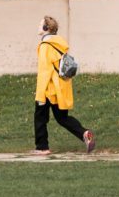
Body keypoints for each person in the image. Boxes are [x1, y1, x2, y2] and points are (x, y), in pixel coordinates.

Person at [34, 14, 96, 155]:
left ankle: (42, 148)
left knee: (40, 117)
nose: (38, 27)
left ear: (45, 28)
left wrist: (40, 95)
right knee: (63, 118)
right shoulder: (60, 43)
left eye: (40, 25)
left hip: (49, 88)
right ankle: (84, 133)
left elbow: (45, 71)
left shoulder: (45, 46)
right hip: (61, 86)